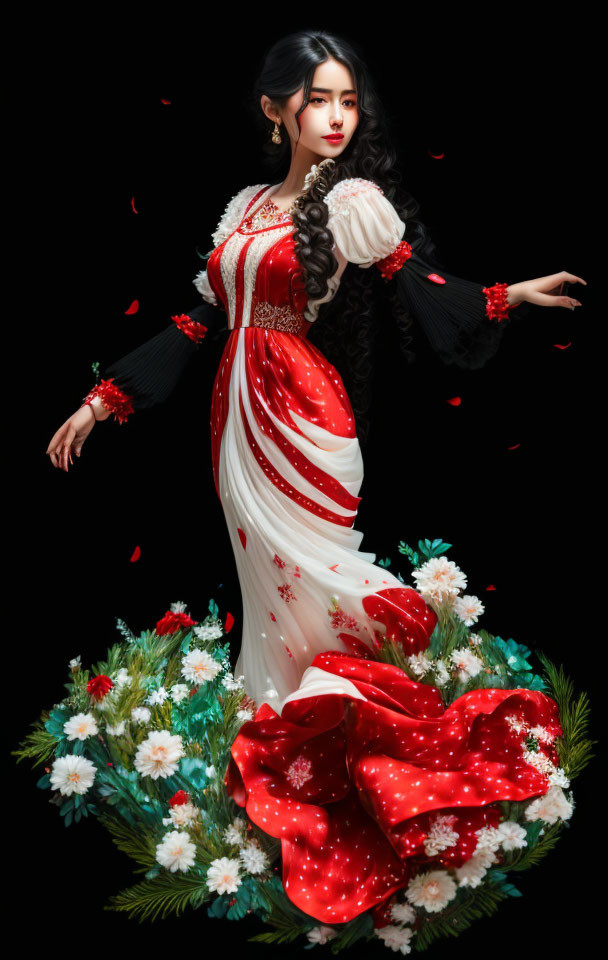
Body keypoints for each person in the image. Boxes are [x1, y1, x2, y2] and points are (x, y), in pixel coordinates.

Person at [46, 31, 585, 711]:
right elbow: (197, 321)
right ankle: (278, 720)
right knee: (264, 580)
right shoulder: (242, 207)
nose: (337, 117)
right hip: (236, 417)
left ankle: (341, 713)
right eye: (319, 99)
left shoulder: (351, 202)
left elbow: (415, 282)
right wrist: (100, 403)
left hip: (301, 408)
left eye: (349, 102)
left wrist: (507, 296)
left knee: (312, 577)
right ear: (276, 109)